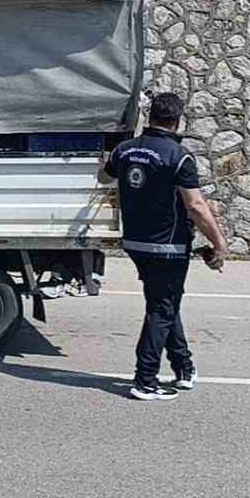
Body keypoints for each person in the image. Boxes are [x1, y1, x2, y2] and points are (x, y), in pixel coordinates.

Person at [99, 91, 230, 401]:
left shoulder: (124, 150)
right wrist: (219, 243)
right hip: (168, 246)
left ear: (151, 116)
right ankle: (145, 380)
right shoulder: (179, 156)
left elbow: (103, 178)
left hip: (136, 243)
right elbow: (195, 205)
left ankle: (184, 368)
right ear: (177, 120)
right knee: (162, 308)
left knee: (164, 304)